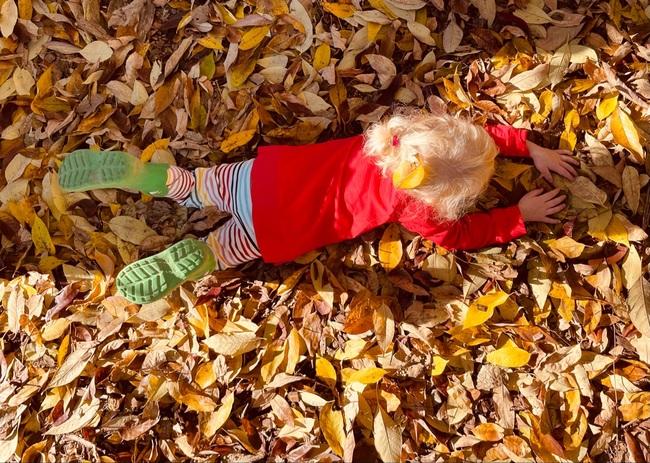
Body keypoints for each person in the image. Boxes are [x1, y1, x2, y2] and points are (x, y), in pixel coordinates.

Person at [57, 110, 578, 304]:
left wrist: (525, 144)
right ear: (439, 199)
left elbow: (470, 142)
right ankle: (202, 253)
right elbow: (458, 237)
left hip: (258, 181)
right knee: (226, 247)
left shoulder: (397, 139)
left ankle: (138, 174)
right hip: (284, 226)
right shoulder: (417, 206)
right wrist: (518, 217)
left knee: (193, 183)